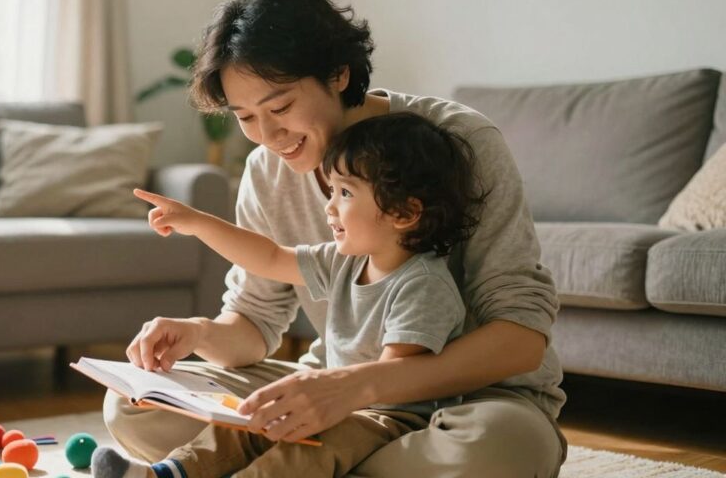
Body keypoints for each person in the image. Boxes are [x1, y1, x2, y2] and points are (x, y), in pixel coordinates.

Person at [104, 0, 567, 478]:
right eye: (246, 117)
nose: (268, 136)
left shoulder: (457, 141)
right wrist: (195, 333)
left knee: (495, 450)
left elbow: (522, 336)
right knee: (134, 405)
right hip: (328, 394)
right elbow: (254, 324)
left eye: (280, 108)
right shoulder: (266, 170)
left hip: (467, 402)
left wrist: (358, 387)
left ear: (339, 73)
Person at [92, 112, 480, 478]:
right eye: (331, 191)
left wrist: (323, 402)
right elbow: (270, 256)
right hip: (335, 395)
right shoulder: (345, 261)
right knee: (249, 416)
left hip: (386, 417)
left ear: (404, 214)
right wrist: (197, 223)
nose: (329, 207)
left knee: (309, 443)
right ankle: (169, 472)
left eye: (345, 193)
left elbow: (391, 377)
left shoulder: (423, 284)